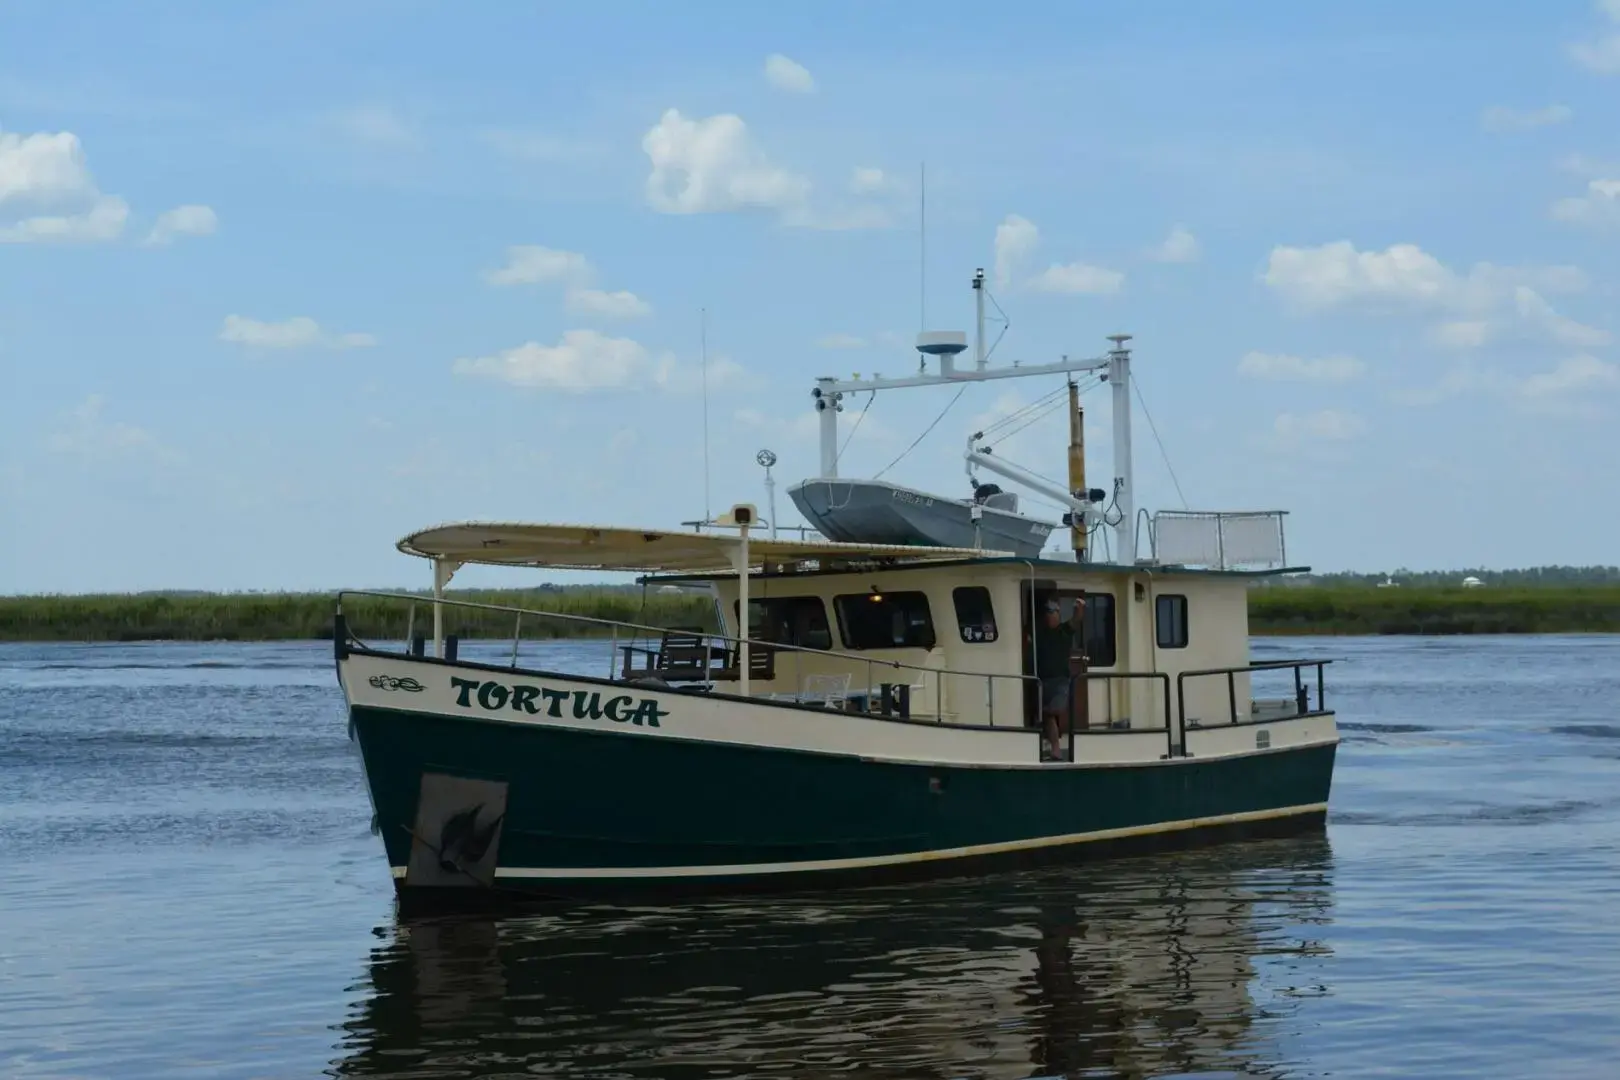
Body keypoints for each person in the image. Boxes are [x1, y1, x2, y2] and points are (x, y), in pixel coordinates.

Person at [1033, 596, 1084, 760]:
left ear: (1058, 614)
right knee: (1049, 716)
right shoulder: (1039, 633)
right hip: (1042, 681)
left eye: (1053, 612)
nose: (1050, 615)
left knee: (1052, 712)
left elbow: (1076, 621)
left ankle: (1056, 749)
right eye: (1047, 612)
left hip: (1060, 681)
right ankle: (1054, 749)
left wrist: (1079, 608)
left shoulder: (1064, 630)